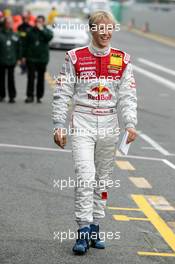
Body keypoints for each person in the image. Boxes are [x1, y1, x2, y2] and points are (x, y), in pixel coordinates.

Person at [52, 11, 137, 254]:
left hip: (110, 123)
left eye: (109, 29)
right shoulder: (74, 57)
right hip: (82, 121)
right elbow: (62, 93)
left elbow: (128, 96)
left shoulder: (122, 60)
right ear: (92, 30)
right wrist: (59, 125)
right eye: (100, 29)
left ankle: (96, 226)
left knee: (103, 178)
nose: (105, 33)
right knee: (85, 176)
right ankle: (82, 231)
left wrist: (130, 123)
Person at [22, 15, 53, 103]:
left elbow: (49, 37)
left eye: (40, 21)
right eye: (37, 21)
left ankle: (39, 96)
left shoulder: (47, 31)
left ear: (43, 22)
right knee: (31, 78)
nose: (38, 23)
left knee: (40, 78)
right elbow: (25, 44)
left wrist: (42, 29)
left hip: (42, 59)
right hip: (31, 58)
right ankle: (30, 96)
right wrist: (23, 56)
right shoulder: (30, 31)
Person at [0, 16, 21, 103]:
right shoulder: (1, 34)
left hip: (12, 60)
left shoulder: (15, 34)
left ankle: (12, 96)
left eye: (10, 22)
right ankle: (2, 95)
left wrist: (19, 58)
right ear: (4, 24)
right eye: (7, 22)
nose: (9, 24)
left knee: (11, 79)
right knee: (1, 79)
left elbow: (19, 47)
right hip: (1, 59)